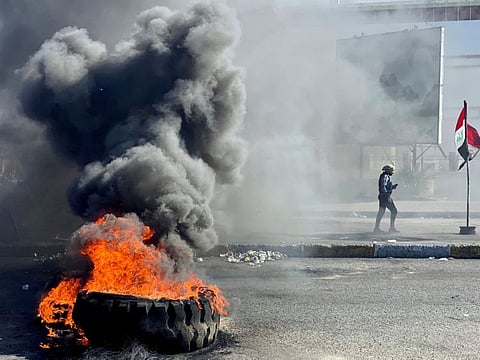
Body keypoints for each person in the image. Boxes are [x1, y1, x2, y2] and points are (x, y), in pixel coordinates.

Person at [373, 164, 399, 234]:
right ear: (388, 170)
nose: (392, 172)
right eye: (392, 170)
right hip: (385, 197)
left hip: (382, 196)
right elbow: (383, 187)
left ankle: (376, 228)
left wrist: (392, 187)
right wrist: (387, 195)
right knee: (394, 211)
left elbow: (385, 186)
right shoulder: (385, 177)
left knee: (381, 212)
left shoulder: (384, 176)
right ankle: (391, 228)